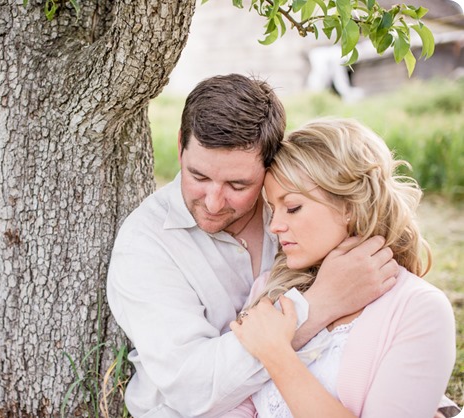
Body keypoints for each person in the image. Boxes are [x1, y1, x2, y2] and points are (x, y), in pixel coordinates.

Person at [106, 74, 400, 418]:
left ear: (269, 164)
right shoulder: (146, 243)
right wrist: (320, 304)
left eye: (237, 184)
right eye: (199, 177)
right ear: (180, 146)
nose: (214, 202)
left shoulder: (298, 212)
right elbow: (192, 390)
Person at [227, 118, 456, 417]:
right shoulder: (272, 287)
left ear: (349, 205)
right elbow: (232, 405)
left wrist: (277, 355)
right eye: (273, 209)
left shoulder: (419, 309)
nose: (275, 226)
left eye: (293, 207)